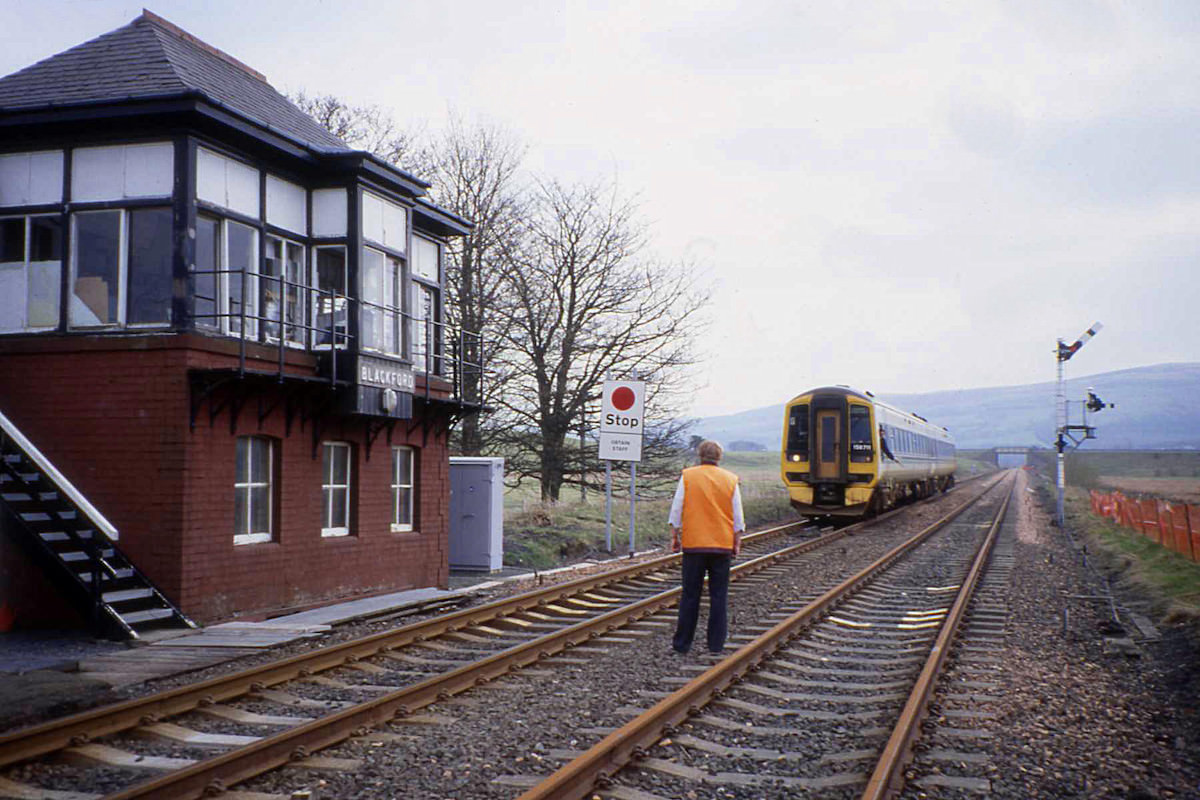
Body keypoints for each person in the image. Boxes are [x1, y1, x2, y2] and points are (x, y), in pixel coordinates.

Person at [668, 440, 745, 655]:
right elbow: (738, 517)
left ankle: (682, 644)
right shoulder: (730, 480)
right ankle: (716, 645)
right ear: (719, 457)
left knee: (690, 595)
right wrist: (736, 541)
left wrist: (675, 535)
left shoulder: (688, 476)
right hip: (721, 546)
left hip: (694, 545)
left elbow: (677, 509)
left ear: (699, 455)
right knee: (719, 596)